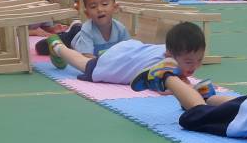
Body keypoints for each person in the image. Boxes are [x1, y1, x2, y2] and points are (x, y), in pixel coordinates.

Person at [46, 20, 209, 95]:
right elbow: (160, 88)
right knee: (84, 63)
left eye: (199, 60)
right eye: (188, 62)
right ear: (169, 55)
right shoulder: (164, 64)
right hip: (114, 62)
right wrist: (184, 89)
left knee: (88, 61)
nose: (194, 66)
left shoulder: (172, 51)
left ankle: (71, 33)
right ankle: (58, 47)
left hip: (126, 51)